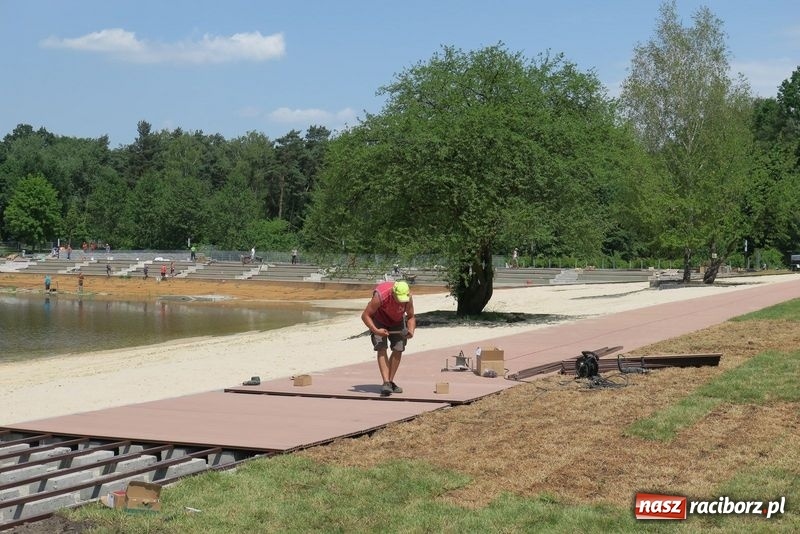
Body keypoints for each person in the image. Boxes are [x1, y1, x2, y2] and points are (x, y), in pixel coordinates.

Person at [361, 280, 416, 397]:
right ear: (393, 293)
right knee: (381, 347)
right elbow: (365, 315)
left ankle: (390, 382)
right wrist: (376, 330)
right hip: (379, 321)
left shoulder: (408, 298)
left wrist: (411, 331)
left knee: (399, 348)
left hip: (397, 321)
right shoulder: (381, 295)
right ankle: (386, 382)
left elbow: (411, 317)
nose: (401, 302)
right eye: (398, 299)